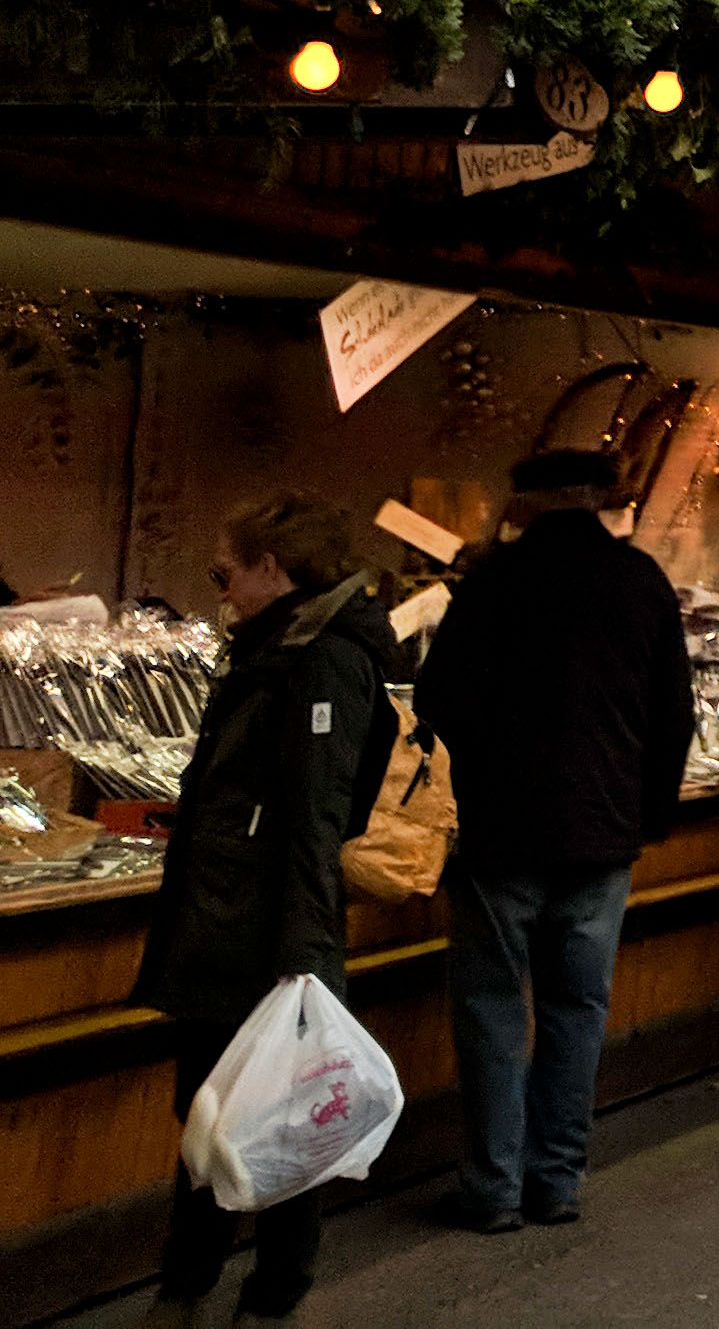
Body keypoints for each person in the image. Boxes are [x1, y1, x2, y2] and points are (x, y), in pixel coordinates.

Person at [413, 444, 691, 1233]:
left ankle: (493, 1188)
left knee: (495, 1010)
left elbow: (439, 699)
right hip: (603, 833)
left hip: (503, 831)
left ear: (526, 505)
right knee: (578, 1009)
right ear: (594, 501)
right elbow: (675, 713)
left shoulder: (495, 581)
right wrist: (648, 817)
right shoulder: (641, 580)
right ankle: (557, 1181)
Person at [138, 494, 399, 1318]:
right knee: (216, 1120)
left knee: (281, 1121)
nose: (222, 589)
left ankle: (262, 1291)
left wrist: (306, 963)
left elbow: (317, 816)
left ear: (271, 569)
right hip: (229, 924)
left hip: (262, 939)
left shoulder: (318, 660)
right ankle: (202, 1284)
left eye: (225, 571)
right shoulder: (273, 648)